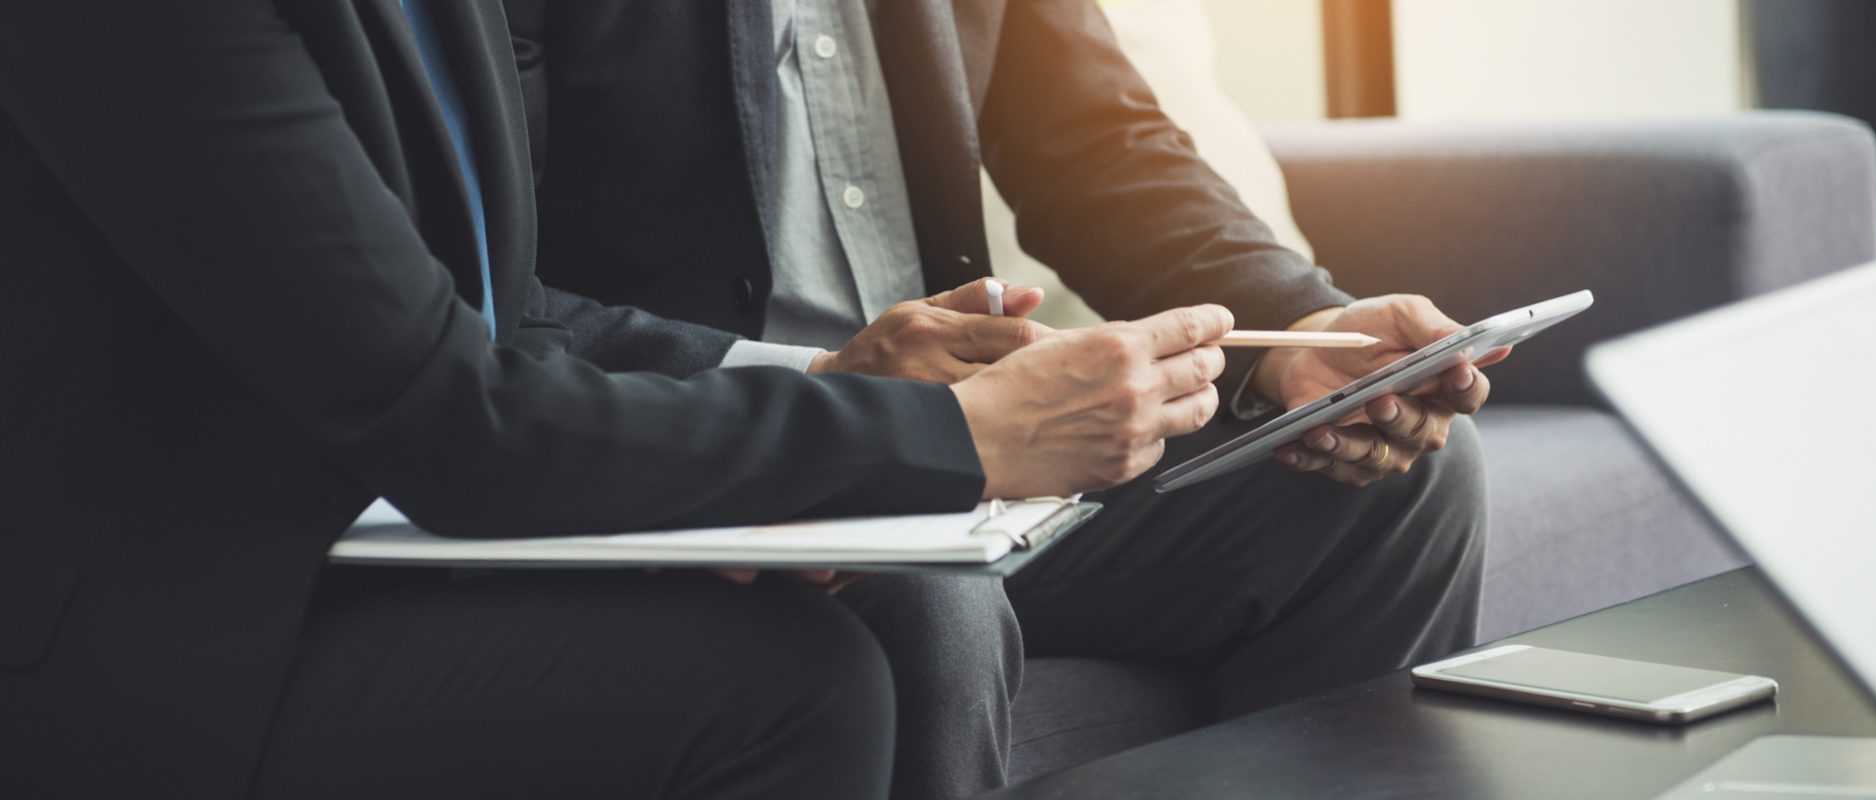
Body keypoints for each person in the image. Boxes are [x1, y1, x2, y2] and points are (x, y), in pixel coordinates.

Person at [0, 2, 1236, 797]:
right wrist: (947, 441)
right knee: (796, 683)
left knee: (862, 634)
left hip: (348, 536)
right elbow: (445, 415)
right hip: (164, 629)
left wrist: (827, 400)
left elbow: (505, 305)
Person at [506, 1, 1497, 796]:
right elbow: (483, 294)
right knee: (919, 591)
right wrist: (829, 404)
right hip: (719, 451)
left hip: (985, 440)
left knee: (1401, 482)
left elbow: (1099, 146)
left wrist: (1301, 333)